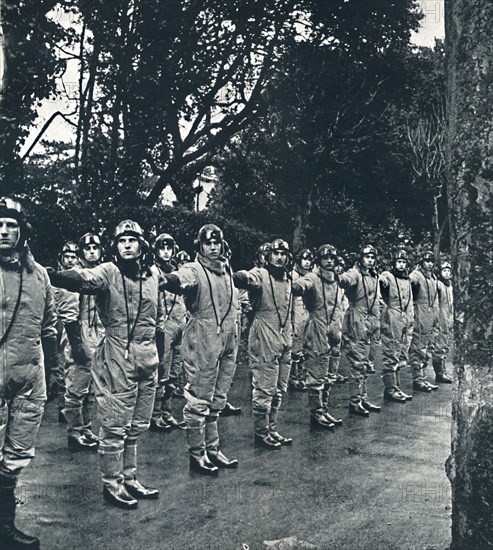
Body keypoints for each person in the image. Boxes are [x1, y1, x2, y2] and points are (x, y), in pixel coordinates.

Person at [49, 220, 163, 509]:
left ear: (142, 245)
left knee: (137, 423)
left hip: (147, 358)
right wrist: (50, 274)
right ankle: (112, 483)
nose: (127, 245)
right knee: (114, 424)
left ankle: (130, 477)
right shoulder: (108, 272)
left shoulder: (152, 275)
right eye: (121, 240)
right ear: (114, 246)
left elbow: (158, 317)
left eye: (132, 240)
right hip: (116, 355)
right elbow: (81, 279)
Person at [0, 197, 58, 549]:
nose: (3, 231)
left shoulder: (40, 276)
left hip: (28, 381)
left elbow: (50, 328)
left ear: (23, 232)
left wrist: (50, 372)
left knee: (14, 457)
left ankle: (5, 528)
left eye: (10, 226)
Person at [159, 224, 239, 474]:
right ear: (200, 246)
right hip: (203, 338)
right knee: (198, 397)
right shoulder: (195, 269)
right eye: (207, 243)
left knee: (218, 396)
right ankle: (197, 453)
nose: (213, 247)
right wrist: (167, 280)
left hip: (227, 339)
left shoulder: (226, 271)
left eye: (216, 242)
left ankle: (213, 449)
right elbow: (182, 278)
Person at [234, 239, 293, 448]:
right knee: (264, 388)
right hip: (263, 334)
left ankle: (272, 428)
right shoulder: (260, 274)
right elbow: (248, 279)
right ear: (268, 256)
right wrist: (241, 278)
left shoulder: (287, 278)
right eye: (275, 253)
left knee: (279, 387)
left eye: (283, 254)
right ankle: (261, 432)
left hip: (284, 335)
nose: (279, 257)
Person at [292, 244, 345, 429]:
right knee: (316, 371)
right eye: (325, 258)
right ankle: (316, 413)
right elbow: (302, 284)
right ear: (319, 261)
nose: (329, 261)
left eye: (332, 258)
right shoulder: (313, 278)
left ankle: (324, 408)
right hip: (316, 327)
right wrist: (298, 287)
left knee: (330, 372)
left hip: (334, 329)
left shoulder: (337, 280)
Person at [59, 233, 104, 451]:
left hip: (98, 335)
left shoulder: (102, 274)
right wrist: (77, 344)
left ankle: (87, 429)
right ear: (81, 252)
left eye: (96, 247)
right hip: (79, 332)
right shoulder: (74, 276)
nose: (92, 251)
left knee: (92, 390)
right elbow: (68, 314)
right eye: (87, 248)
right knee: (76, 388)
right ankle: (74, 432)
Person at [339, 244, 381, 417]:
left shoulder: (373, 276)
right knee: (357, 362)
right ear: (361, 258)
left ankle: (363, 397)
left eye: (372, 257)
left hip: (371, 322)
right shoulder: (355, 273)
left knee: (366, 363)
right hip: (357, 320)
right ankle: (354, 401)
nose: (370, 260)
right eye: (367, 257)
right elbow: (345, 279)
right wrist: (338, 276)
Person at [150, 233, 186, 432]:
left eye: (169, 248)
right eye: (162, 248)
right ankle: (155, 414)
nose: (166, 252)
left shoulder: (178, 272)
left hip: (180, 323)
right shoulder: (153, 272)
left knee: (175, 370)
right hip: (164, 326)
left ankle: (167, 411)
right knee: (161, 370)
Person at [378, 250, 414, 402]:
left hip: (404, 319)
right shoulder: (388, 276)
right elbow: (381, 283)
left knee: (400, 351)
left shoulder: (407, 280)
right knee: (391, 352)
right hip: (391, 317)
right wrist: (385, 312)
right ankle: (390, 388)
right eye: (398, 262)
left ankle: (396, 387)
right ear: (393, 263)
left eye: (404, 262)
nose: (401, 265)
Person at [408, 250, 440, 392]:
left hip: (431, 317)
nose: (430, 264)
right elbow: (409, 281)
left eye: (432, 261)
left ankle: (423, 378)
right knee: (417, 349)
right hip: (419, 316)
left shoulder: (433, 278)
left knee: (428, 349)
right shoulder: (417, 275)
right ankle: (417, 379)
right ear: (421, 262)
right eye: (427, 261)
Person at [289, 249, 313, 391]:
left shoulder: (311, 276)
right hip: (296, 311)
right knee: (295, 345)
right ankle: (293, 378)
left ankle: (303, 376)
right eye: (304, 259)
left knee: (306, 344)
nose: (307, 262)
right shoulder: (293, 275)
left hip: (307, 311)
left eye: (309, 259)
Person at [431, 261, 454, 384]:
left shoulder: (450, 286)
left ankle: (443, 371)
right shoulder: (437, 285)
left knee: (445, 345)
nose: (446, 273)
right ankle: (439, 373)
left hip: (448, 319)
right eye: (444, 270)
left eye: (448, 271)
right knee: (439, 346)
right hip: (440, 319)